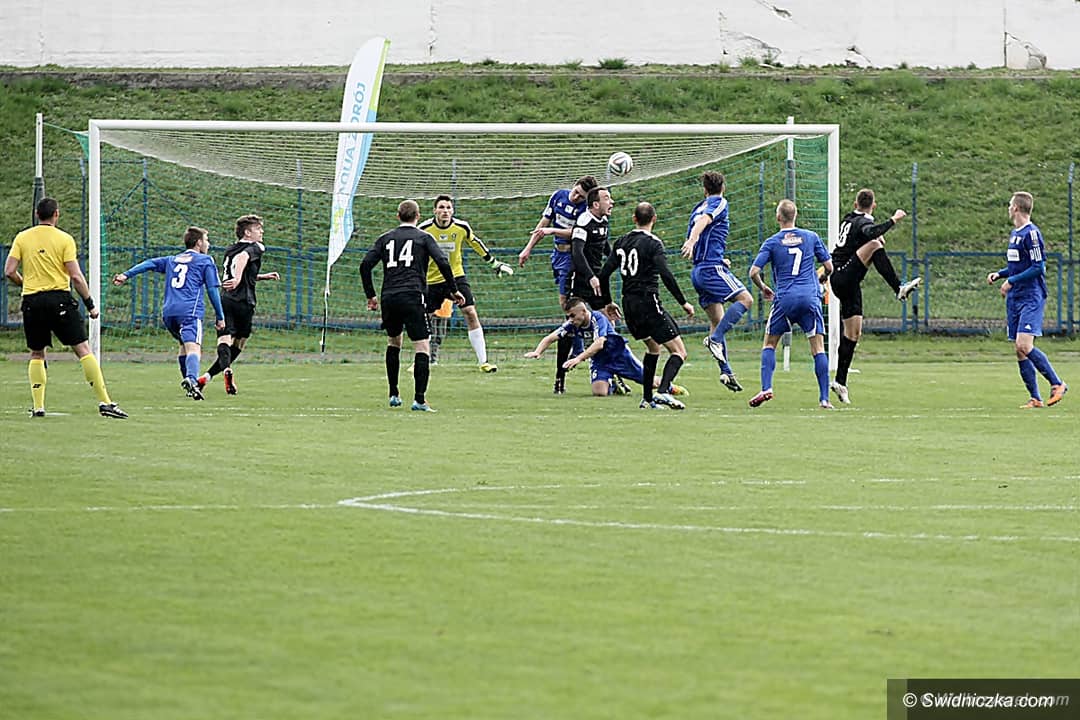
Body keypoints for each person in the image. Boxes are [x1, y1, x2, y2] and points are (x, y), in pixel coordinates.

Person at [3, 197, 127, 418]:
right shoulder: (64, 239)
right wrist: (90, 304)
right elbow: (76, 276)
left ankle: (38, 407)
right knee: (83, 350)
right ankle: (105, 402)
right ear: (56, 214)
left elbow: (9, 271)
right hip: (59, 299)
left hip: (32, 301)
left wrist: (25, 283)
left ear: (36, 215)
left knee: (37, 353)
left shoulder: (22, 237)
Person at [360, 199, 464, 412]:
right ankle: (419, 400)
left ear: (398, 216)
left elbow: (365, 265)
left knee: (393, 342)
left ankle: (393, 393)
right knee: (422, 346)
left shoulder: (385, 238)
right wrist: (454, 290)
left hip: (389, 297)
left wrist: (371, 296)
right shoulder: (424, 237)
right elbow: (442, 262)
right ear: (418, 216)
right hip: (413, 295)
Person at [597, 201, 695, 409]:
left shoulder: (621, 242)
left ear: (634, 218)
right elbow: (665, 274)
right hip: (648, 301)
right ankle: (663, 392)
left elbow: (603, 274)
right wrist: (683, 302)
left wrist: (608, 302)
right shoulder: (653, 243)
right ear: (654, 219)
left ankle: (647, 399)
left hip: (628, 304)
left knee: (653, 347)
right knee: (679, 351)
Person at [828, 188, 922, 404]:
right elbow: (870, 232)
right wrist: (893, 220)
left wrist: (875, 235)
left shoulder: (849, 219)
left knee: (853, 333)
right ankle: (898, 288)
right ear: (874, 205)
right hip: (843, 275)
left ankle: (840, 382)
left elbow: (863, 234)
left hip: (846, 282)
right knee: (875, 245)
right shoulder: (862, 222)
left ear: (855, 204)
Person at [112, 226, 225, 400]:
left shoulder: (172, 260)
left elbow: (149, 263)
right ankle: (192, 380)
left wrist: (126, 275)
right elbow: (212, 290)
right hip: (189, 312)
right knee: (194, 347)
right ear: (198, 242)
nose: (208, 244)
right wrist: (220, 316)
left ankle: (190, 386)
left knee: (183, 346)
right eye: (206, 240)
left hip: (169, 313)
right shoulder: (205, 260)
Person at [747, 199, 834, 409]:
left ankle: (766, 387)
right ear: (796, 215)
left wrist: (763, 287)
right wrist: (821, 279)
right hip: (809, 298)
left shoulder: (772, 242)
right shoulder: (811, 237)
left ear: (778, 217)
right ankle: (824, 399)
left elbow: (753, 272)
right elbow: (829, 267)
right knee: (818, 348)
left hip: (785, 299)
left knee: (769, 344)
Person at [523, 296, 686, 407]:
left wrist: (578, 359)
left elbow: (599, 343)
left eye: (572, 315)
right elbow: (551, 337)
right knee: (599, 393)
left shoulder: (598, 319)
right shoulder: (572, 324)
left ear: (583, 311)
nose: (570, 320)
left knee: (650, 383)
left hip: (619, 355)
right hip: (600, 361)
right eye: (568, 317)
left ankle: (669, 387)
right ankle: (614, 383)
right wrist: (538, 351)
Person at [986, 191, 1067, 408]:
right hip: (1016, 297)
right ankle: (1035, 398)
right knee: (1019, 349)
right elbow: (1018, 266)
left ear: (1016, 208)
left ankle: (1057, 383)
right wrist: (1000, 274)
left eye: (1010, 205)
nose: (1008, 208)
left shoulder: (1032, 234)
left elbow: (1038, 267)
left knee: (1024, 344)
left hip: (1031, 296)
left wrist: (1011, 281)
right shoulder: (1015, 234)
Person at [418, 194, 513, 373]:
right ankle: (420, 360)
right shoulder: (424, 229)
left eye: (448, 207)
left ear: (452, 210)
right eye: (441, 207)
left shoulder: (461, 227)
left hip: (456, 277)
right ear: (434, 210)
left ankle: (483, 362)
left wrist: (494, 263)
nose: (445, 211)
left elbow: (476, 243)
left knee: (470, 312)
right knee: (424, 318)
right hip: (432, 280)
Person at [680, 171, 752, 393]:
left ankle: (726, 371)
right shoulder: (719, 202)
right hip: (711, 269)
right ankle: (715, 340)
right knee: (746, 300)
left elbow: (703, 235)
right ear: (723, 187)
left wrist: (715, 255)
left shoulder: (697, 208)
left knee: (717, 320)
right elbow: (705, 221)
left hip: (699, 270)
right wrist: (692, 241)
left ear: (704, 189)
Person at [196, 214, 279, 395]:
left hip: (226, 299)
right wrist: (238, 279)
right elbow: (243, 258)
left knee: (224, 338)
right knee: (239, 343)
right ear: (248, 233)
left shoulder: (230, 249)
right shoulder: (256, 247)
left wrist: (262, 277)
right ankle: (219, 373)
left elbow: (237, 268)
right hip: (244, 302)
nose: (262, 232)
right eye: (258, 229)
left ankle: (209, 377)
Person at [518, 175, 599, 310]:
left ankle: (587, 322)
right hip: (557, 254)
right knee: (568, 302)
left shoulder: (586, 210)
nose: (576, 197)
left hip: (572, 257)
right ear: (574, 185)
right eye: (576, 192)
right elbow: (543, 224)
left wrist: (552, 231)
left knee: (567, 301)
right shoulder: (558, 196)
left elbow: (577, 232)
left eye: (581, 197)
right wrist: (528, 248)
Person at [429, 298, 453, 365]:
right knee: (433, 335)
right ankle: (432, 358)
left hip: (445, 311)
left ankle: (433, 357)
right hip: (434, 310)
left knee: (440, 336)